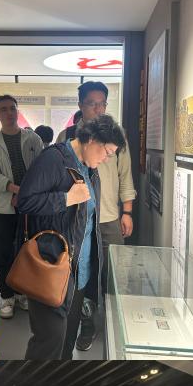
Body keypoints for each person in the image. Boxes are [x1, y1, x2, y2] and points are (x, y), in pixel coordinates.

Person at [16, 115, 125, 360]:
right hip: (52, 267)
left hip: (78, 270)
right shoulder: (54, 159)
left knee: (67, 339)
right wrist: (65, 198)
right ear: (92, 139)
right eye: (107, 152)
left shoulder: (89, 168)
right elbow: (24, 201)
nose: (107, 159)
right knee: (49, 341)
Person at [56, 82, 137, 351]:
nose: (98, 109)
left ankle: (115, 325)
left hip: (109, 218)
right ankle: (86, 325)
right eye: (92, 103)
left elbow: (125, 176)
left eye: (102, 103)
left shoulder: (117, 137)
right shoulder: (67, 136)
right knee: (82, 277)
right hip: (77, 220)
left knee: (115, 275)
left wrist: (127, 212)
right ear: (80, 105)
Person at [0, 94, 44, 320]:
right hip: (3, 208)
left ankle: (22, 293)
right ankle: (7, 297)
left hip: (30, 208)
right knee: (4, 253)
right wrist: (16, 190)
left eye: (12, 108)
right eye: (4, 109)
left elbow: (40, 170)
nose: (9, 113)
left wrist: (26, 194)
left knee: (27, 252)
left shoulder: (33, 139)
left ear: (18, 111)